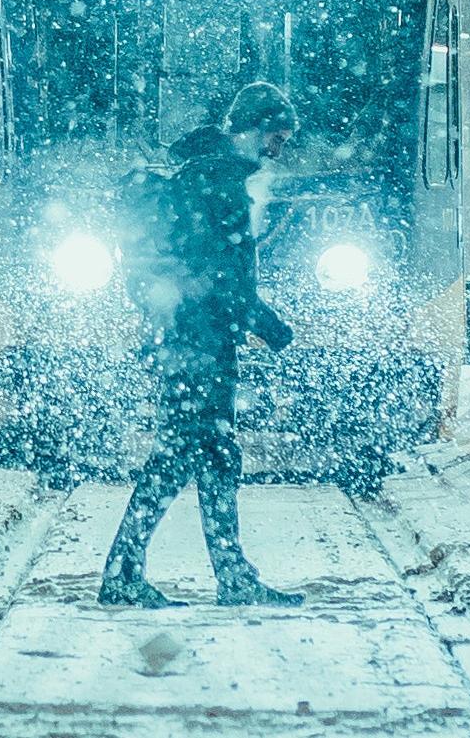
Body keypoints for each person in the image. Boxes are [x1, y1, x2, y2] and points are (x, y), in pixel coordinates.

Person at [101, 82, 303, 610]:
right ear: (253, 128)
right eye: (275, 136)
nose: (277, 149)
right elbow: (220, 276)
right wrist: (269, 324)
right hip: (200, 341)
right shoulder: (218, 181)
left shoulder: (206, 174)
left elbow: (211, 266)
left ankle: (228, 574)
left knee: (213, 455)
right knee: (180, 457)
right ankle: (126, 572)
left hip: (193, 337)